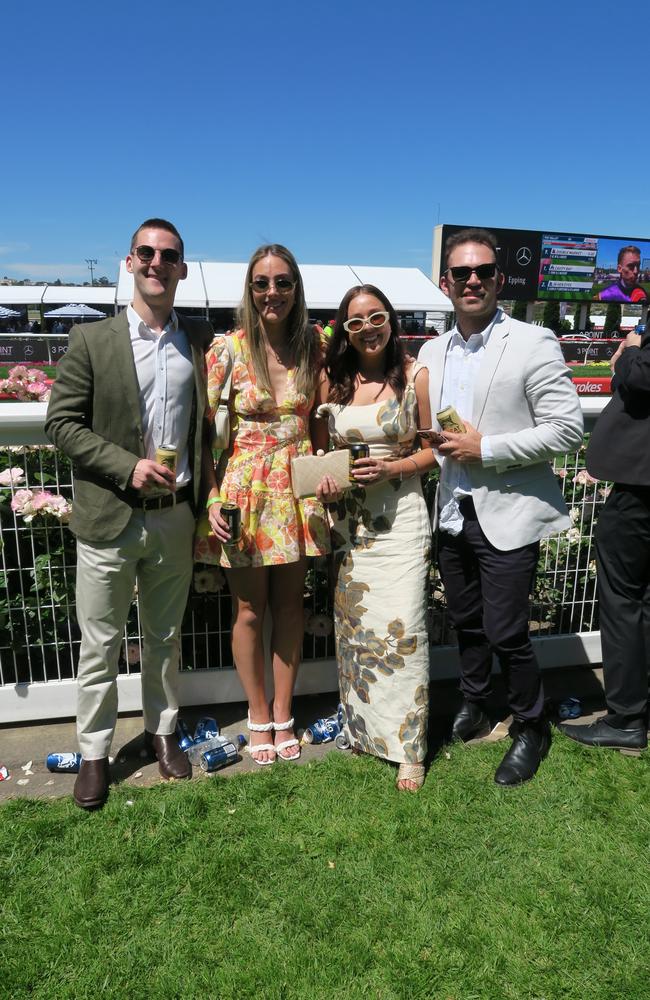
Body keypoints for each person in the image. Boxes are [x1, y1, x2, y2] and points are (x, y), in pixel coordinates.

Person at [45, 218, 213, 809]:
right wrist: (126, 466)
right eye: (146, 253)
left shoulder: (199, 338)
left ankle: (162, 734)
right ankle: (94, 751)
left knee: (165, 637)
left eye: (168, 255)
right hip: (111, 513)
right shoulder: (92, 341)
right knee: (101, 642)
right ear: (129, 261)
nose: (156, 263)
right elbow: (61, 423)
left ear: (182, 269)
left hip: (174, 515)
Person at [419, 227, 583, 786]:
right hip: (450, 510)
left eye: (483, 272)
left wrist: (485, 448)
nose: (472, 281)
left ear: (499, 280)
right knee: (465, 620)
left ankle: (531, 726)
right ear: (446, 283)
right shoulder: (430, 350)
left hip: (507, 510)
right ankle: (476, 700)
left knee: (508, 630)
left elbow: (567, 429)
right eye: (461, 273)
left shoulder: (533, 342)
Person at [201, 244, 330, 765]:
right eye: (261, 283)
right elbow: (203, 436)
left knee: (290, 606)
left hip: (297, 487)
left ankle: (284, 712)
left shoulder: (314, 345)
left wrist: (326, 470)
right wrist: (211, 494)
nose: (271, 293)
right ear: (249, 290)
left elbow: (319, 420)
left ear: (296, 288)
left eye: (282, 282)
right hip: (244, 490)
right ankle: (258, 715)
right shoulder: (227, 350)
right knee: (249, 609)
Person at [315, 284, 437, 791]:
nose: (368, 328)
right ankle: (364, 731)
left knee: (403, 629)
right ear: (344, 331)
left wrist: (396, 467)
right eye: (356, 321)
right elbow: (320, 452)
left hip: (402, 517)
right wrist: (323, 481)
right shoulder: (333, 382)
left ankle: (410, 746)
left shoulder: (415, 376)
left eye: (376, 317)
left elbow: (437, 450)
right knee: (359, 634)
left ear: (391, 319)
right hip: (351, 524)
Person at [560, 327, 650, 751]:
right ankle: (635, 711)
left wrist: (630, 353)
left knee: (623, 601)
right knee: (641, 601)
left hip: (640, 486)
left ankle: (627, 718)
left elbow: (639, 378)